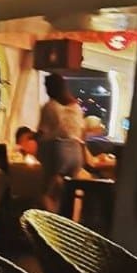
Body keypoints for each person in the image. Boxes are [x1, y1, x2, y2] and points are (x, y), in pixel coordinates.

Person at [37, 72, 85, 210]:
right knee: (67, 193)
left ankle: (47, 219)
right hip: (75, 152)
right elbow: (82, 132)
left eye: (46, 86)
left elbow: (43, 131)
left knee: (47, 192)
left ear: (51, 88)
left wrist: (33, 139)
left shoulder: (50, 106)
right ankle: (66, 218)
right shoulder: (76, 107)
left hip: (57, 150)